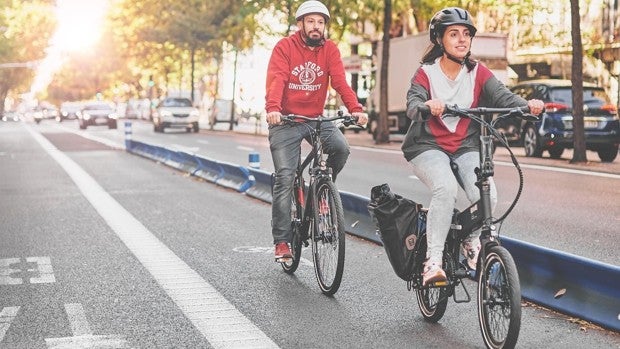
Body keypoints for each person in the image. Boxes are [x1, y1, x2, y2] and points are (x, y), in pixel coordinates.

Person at [402, 7, 544, 286]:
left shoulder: (478, 72)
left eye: (466, 34)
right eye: (453, 34)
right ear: (440, 39)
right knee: (445, 189)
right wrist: (426, 105)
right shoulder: (426, 74)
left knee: (487, 197)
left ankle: (469, 239)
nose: (461, 39)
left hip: (466, 147)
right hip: (427, 146)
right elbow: (413, 103)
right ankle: (433, 261)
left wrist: (527, 107)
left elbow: (503, 97)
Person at [264, 0, 368, 262]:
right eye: (311, 21)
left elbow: (340, 82)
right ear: (300, 24)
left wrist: (356, 108)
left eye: (320, 22)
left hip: (315, 119)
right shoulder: (285, 47)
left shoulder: (330, 49)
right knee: (286, 177)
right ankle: (282, 242)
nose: (316, 27)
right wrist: (273, 108)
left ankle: (321, 191)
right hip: (285, 120)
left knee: (341, 148)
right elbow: (278, 79)